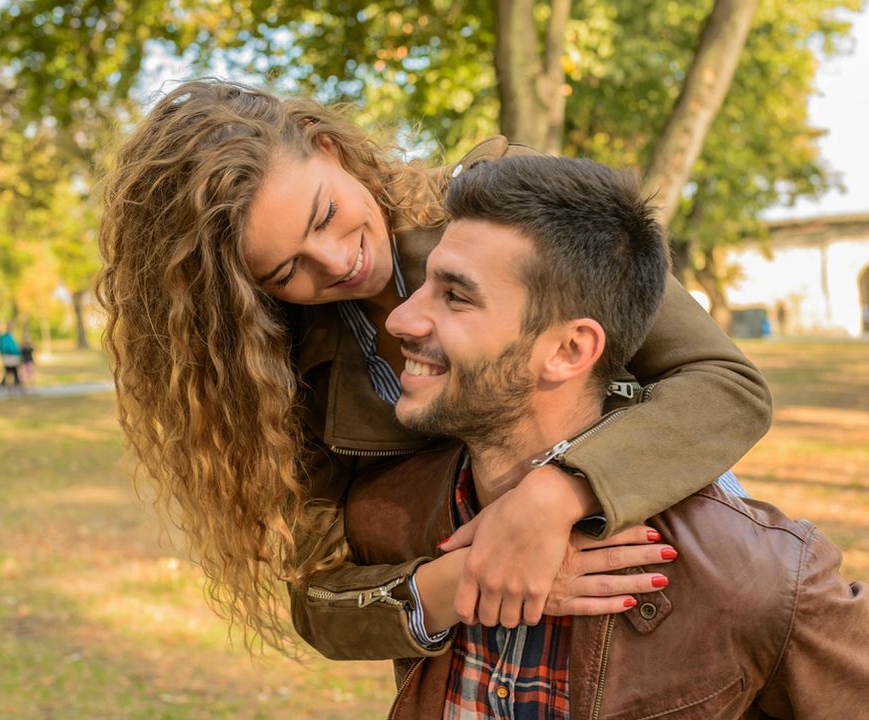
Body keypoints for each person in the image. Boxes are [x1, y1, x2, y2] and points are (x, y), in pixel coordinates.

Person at [96, 79, 772, 656]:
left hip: (668, 602)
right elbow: (320, 596)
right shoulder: (285, 375)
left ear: (328, 149)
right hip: (474, 662)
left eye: (326, 215)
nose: (335, 262)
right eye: (285, 270)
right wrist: (475, 577)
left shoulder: (503, 202)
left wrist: (556, 495)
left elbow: (724, 385)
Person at [347, 154, 869, 718]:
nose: (399, 320)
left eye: (457, 296)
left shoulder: (760, 577)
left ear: (569, 350)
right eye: (426, 285)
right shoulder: (389, 516)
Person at [0, 324, 21, 391]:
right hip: (10, 356)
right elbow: (9, 347)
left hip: (11, 356)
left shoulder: (9, 336)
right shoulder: (6, 337)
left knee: (11, 370)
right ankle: (14, 384)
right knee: (11, 370)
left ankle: (12, 384)